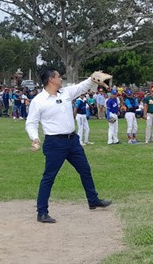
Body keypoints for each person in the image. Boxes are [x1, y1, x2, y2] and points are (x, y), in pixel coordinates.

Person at [25, 69, 111, 223]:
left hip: (72, 140)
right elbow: (31, 123)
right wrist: (35, 138)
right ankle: (42, 212)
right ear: (51, 79)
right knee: (49, 177)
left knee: (85, 170)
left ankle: (93, 200)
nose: (61, 78)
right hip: (54, 143)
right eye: (59, 76)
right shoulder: (38, 101)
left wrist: (93, 79)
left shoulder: (65, 92)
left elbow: (81, 87)